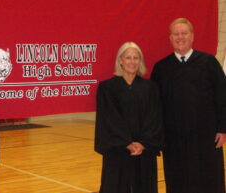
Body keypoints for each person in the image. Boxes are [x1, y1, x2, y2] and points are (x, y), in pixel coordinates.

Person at [151, 17, 226, 193]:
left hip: (207, 139)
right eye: (176, 33)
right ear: (170, 38)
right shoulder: (161, 68)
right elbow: (154, 107)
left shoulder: (209, 63)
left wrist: (223, 128)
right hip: (174, 140)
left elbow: (223, 97)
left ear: (192, 36)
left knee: (210, 181)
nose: (180, 37)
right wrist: (157, 137)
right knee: (178, 181)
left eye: (184, 33)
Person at [95, 42, 164, 193]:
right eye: (128, 57)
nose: (132, 62)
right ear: (120, 60)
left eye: (136, 58)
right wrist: (126, 142)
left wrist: (143, 142)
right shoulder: (107, 88)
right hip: (117, 150)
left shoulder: (151, 88)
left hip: (144, 150)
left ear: (140, 61)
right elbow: (108, 119)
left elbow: (154, 118)